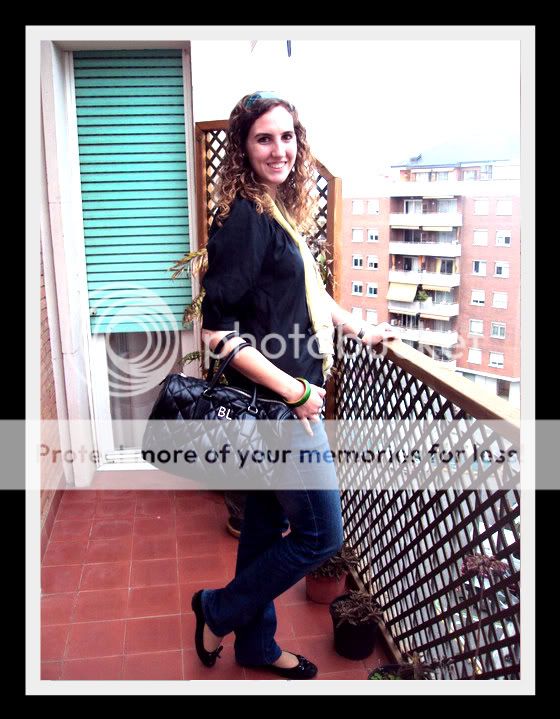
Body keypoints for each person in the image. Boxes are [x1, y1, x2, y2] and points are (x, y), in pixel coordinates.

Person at [191, 90, 399, 679]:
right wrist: (296, 391)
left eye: (287, 137)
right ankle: (216, 609)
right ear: (243, 147)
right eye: (264, 138)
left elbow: (307, 291)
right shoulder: (245, 219)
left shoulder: (274, 209)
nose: (279, 149)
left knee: (262, 530)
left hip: (286, 404)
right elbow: (217, 334)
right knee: (320, 535)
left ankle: (256, 646)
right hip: (278, 410)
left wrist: (358, 327)